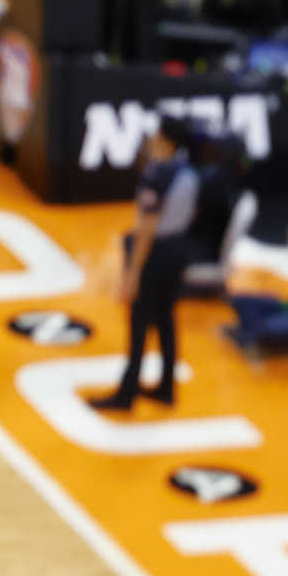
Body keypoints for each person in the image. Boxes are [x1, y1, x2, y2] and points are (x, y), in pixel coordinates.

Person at [89, 119, 201, 411]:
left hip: (156, 252)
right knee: (166, 318)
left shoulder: (156, 174)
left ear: (165, 140)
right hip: (180, 248)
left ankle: (126, 394)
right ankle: (166, 387)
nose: (151, 137)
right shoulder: (188, 171)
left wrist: (132, 272)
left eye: (157, 133)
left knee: (139, 323)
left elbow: (147, 227)